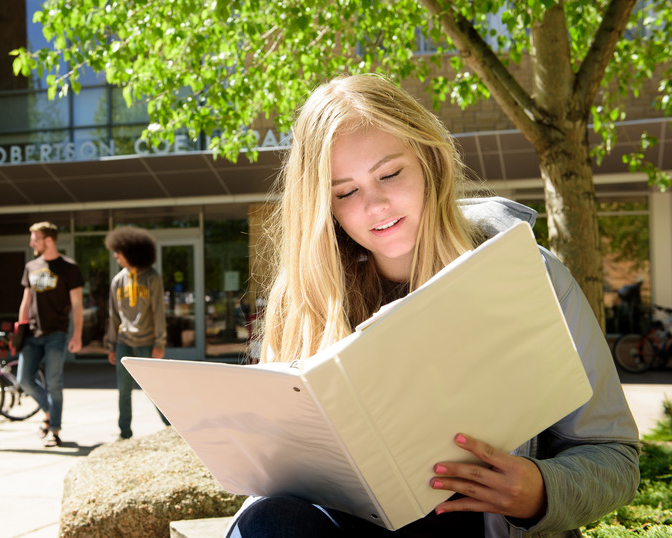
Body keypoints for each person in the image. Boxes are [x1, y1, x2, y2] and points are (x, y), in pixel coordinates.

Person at [226, 74, 640, 537]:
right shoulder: (302, 301)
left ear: (428, 162)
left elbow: (614, 455)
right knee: (266, 522)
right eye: (346, 192)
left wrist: (540, 490)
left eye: (389, 173)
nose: (376, 205)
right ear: (325, 207)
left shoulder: (529, 273)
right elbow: (272, 481)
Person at [17, 221, 84, 447]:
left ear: (49, 240)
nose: (31, 243)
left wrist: (77, 336)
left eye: (35, 238)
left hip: (57, 333)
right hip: (32, 334)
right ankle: (48, 411)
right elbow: (26, 301)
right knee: (24, 379)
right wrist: (20, 328)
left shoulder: (69, 268)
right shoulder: (31, 266)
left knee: (55, 381)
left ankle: (54, 429)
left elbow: (77, 305)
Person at [105, 226, 171, 440]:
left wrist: (159, 342)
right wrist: (111, 344)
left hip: (146, 342)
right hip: (124, 342)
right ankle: (124, 433)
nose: (116, 256)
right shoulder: (118, 280)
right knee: (123, 391)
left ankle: (171, 427)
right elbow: (113, 315)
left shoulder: (152, 278)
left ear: (132, 252)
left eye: (119, 252)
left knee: (153, 388)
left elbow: (158, 312)